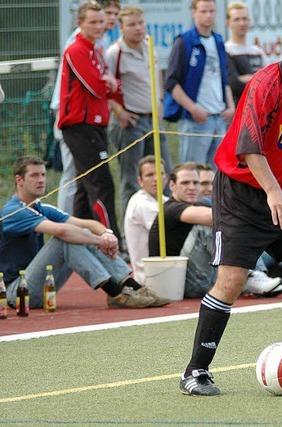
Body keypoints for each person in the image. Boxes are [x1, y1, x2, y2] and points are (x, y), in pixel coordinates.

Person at [178, 11, 282, 396]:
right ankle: (195, 371)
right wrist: (272, 191)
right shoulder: (265, 84)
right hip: (242, 195)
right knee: (232, 281)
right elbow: (249, 148)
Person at [0, 156, 168, 309]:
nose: (41, 180)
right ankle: (115, 292)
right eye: (35, 175)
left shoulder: (41, 208)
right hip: (17, 293)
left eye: (43, 175)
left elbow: (86, 224)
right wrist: (98, 241)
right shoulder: (14, 211)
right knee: (64, 239)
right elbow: (62, 231)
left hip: (42, 285)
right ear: (19, 180)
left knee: (80, 233)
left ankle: (130, 287)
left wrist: (106, 234)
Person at [148, 163, 282, 298]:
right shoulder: (171, 208)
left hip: (207, 274)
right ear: (172, 185)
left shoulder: (200, 203)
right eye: (185, 183)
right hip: (180, 284)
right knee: (214, 225)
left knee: (277, 245)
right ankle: (250, 275)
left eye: (196, 183)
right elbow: (214, 218)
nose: (192, 187)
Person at [57, 0, 122, 247]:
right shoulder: (76, 49)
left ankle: (80, 241)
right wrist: (109, 83)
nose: (98, 27)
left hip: (97, 124)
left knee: (86, 187)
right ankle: (111, 238)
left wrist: (110, 83)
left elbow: (113, 85)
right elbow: (97, 86)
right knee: (102, 183)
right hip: (79, 126)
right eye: (92, 22)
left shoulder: (96, 49)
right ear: (80, 23)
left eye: (101, 22)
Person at [105, 5, 173, 219]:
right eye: (131, 25)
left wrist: (160, 101)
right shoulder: (114, 53)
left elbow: (156, 78)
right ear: (121, 27)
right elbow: (104, 88)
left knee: (165, 174)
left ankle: (165, 224)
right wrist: (119, 112)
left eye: (140, 23)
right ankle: (128, 234)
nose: (137, 28)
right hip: (130, 122)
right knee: (131, 180)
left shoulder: (149, 45)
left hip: (153, 118)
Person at [164, 0, 235, 166]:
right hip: (195, 120)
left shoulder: (218, 40)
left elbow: (224, 78)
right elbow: (171, 83)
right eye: (203, 11)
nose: (208, 15)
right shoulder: (184, 41)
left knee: (217, 175)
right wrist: (193, 108)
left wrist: (231, 106)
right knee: (193, 171)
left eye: (211, 11)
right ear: (194, 12)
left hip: (220, 117)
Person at [123, 155, 168, 284]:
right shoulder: (141, 203)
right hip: (151, 278)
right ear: (140, 181)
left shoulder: (165, 200)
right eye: (150, 175)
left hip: (167, 271)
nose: (156, 179)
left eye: (161, 173)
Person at [224, 2, 268, 106]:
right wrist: (258, 79)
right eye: (237, 19)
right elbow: (233, 84)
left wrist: (244, 78)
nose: (242, 23)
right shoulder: (225, 50)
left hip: (259, 108)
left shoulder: (258, 51)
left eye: (244, 19)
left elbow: (269, 82)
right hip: (237, 110)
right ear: (227, 23)